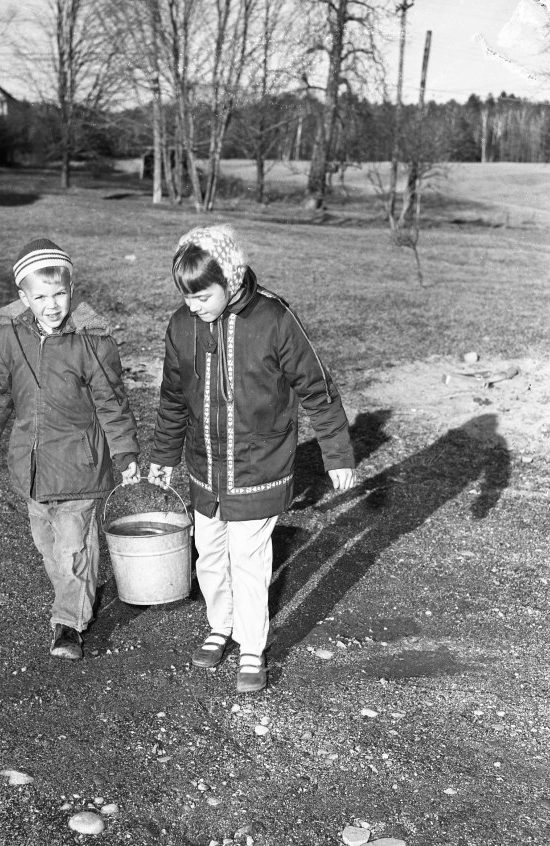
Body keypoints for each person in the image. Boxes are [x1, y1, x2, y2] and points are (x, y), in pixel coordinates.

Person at [148, 225, 355, 692]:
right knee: (210, 555)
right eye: (186, 296)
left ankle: (251, 647)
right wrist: (163, 455)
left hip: (259, 466)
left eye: (203, 295)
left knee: (249, 559)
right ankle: (220, 626)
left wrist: (337, 453)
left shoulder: (274, 318)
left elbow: (317, 387)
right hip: (205, 468)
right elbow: (172, 398)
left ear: (232, 279)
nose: (193, 305)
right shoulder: (182, 326)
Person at [0, 238, 140, 661]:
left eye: (60, 294)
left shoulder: (91, 342)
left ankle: (69, 623)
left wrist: (125, 453)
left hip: (79, 468)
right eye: (41, 296)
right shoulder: (12, 339)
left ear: (71, 289)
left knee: (73, 548)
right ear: (23, 297)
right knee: (49, 548)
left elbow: (112, 402)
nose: (52, 305)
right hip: (31, 469)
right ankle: (77, 591)